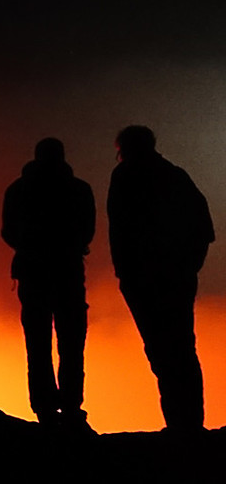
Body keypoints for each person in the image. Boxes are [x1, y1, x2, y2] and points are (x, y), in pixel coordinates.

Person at [107, 125, 214, 433]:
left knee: (161, 350)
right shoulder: (175, 176)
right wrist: (189, 266)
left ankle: (180, 425)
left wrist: (125, 272)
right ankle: (189, 424)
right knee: (181, 348)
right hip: (175, 278)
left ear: (123, 149)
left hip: (142, 280)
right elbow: (204, 229)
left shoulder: (124, 177)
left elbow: (119, 230)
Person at [2, 137, 95, 430]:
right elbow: (88, 230)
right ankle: (71, 405)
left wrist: (29, 248)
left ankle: (44, 408)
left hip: (33, 273)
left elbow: (8, 231)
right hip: (68, 272)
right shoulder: (79, 189)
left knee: (38, 343)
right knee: (71, 342)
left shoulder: (18, 189)